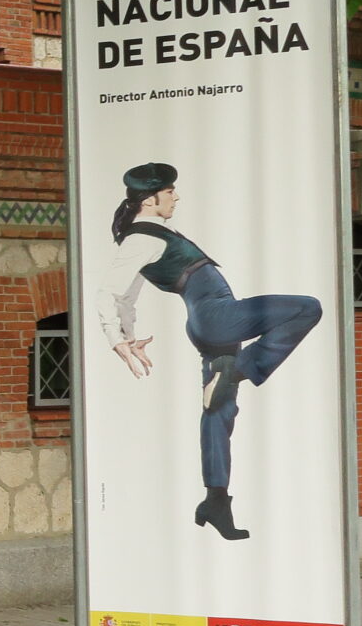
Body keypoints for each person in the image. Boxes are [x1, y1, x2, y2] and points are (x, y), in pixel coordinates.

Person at [97, 163, 321, 541]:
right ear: (151, 199)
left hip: (211, 326)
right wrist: (116, 339)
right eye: (170, 192)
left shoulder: (148, 235)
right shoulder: (141, 239)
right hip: (219, 318)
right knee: (307, 307)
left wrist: (130, 333)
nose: (176, 197)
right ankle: (236, 369)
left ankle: (215, 500)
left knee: (218, 413)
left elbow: (129, 297)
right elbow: (111, 292)